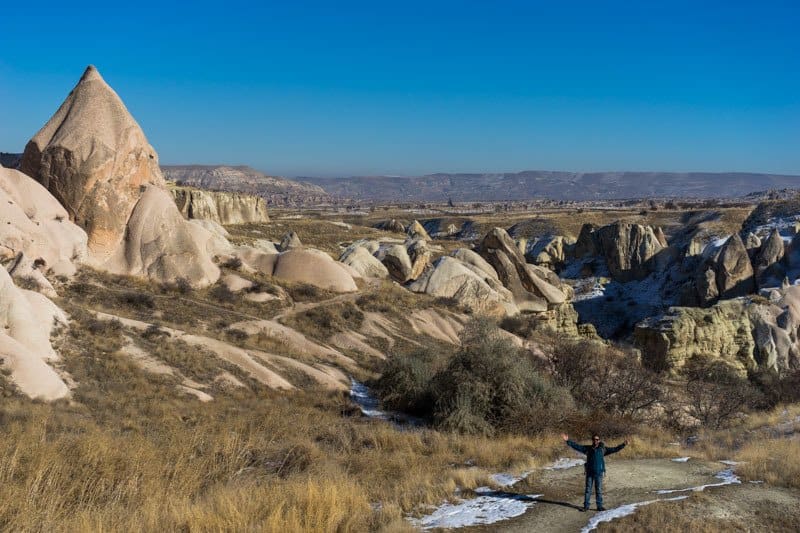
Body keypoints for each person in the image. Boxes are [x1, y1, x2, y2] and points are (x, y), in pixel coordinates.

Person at [560, 433, 628, 512]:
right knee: (588, 490)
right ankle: (586, 506)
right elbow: (577, 446)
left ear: (599, 440)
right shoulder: (588, 449)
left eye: (597, 439)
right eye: (594, 439)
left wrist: (623, 445)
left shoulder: (603, 449)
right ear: (592, 440)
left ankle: (599, 506)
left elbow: (614, 449)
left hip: (599, 473)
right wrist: (568, 441)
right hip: (589, 472)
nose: (595, 441)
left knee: (598, 489)